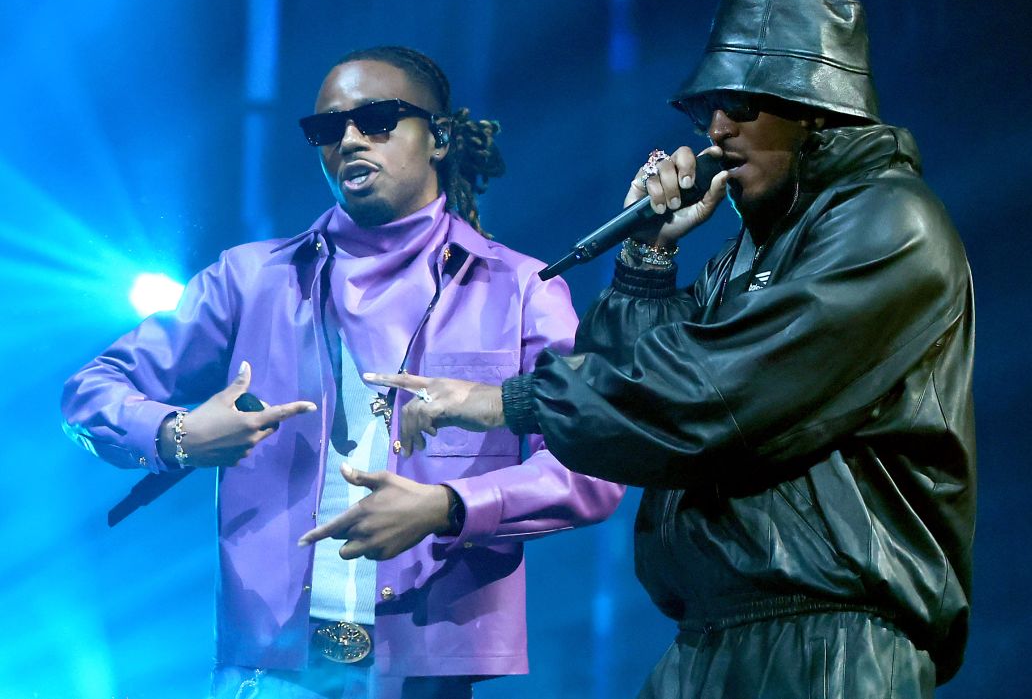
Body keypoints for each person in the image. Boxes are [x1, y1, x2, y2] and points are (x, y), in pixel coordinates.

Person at [367, 0, 976, 698]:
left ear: (817, 110)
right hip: (713, 635)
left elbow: (708, 396)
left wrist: (507, 401)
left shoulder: (890, 226)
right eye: (704, 107)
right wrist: (647, 259)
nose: (716, 129)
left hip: (830, 642)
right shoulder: (745, 256)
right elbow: (633, 417)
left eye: (742, 103)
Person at [61, 45, 623, 699]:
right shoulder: (248, 281)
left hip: (425, 665)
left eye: (378, 119)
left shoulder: (520, 287)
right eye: (328, 128)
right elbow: (88, 392)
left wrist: (451, 506)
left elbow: (593, 462)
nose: (349, 138)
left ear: (438, 137)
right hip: (269, 670)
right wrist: (176, 432)